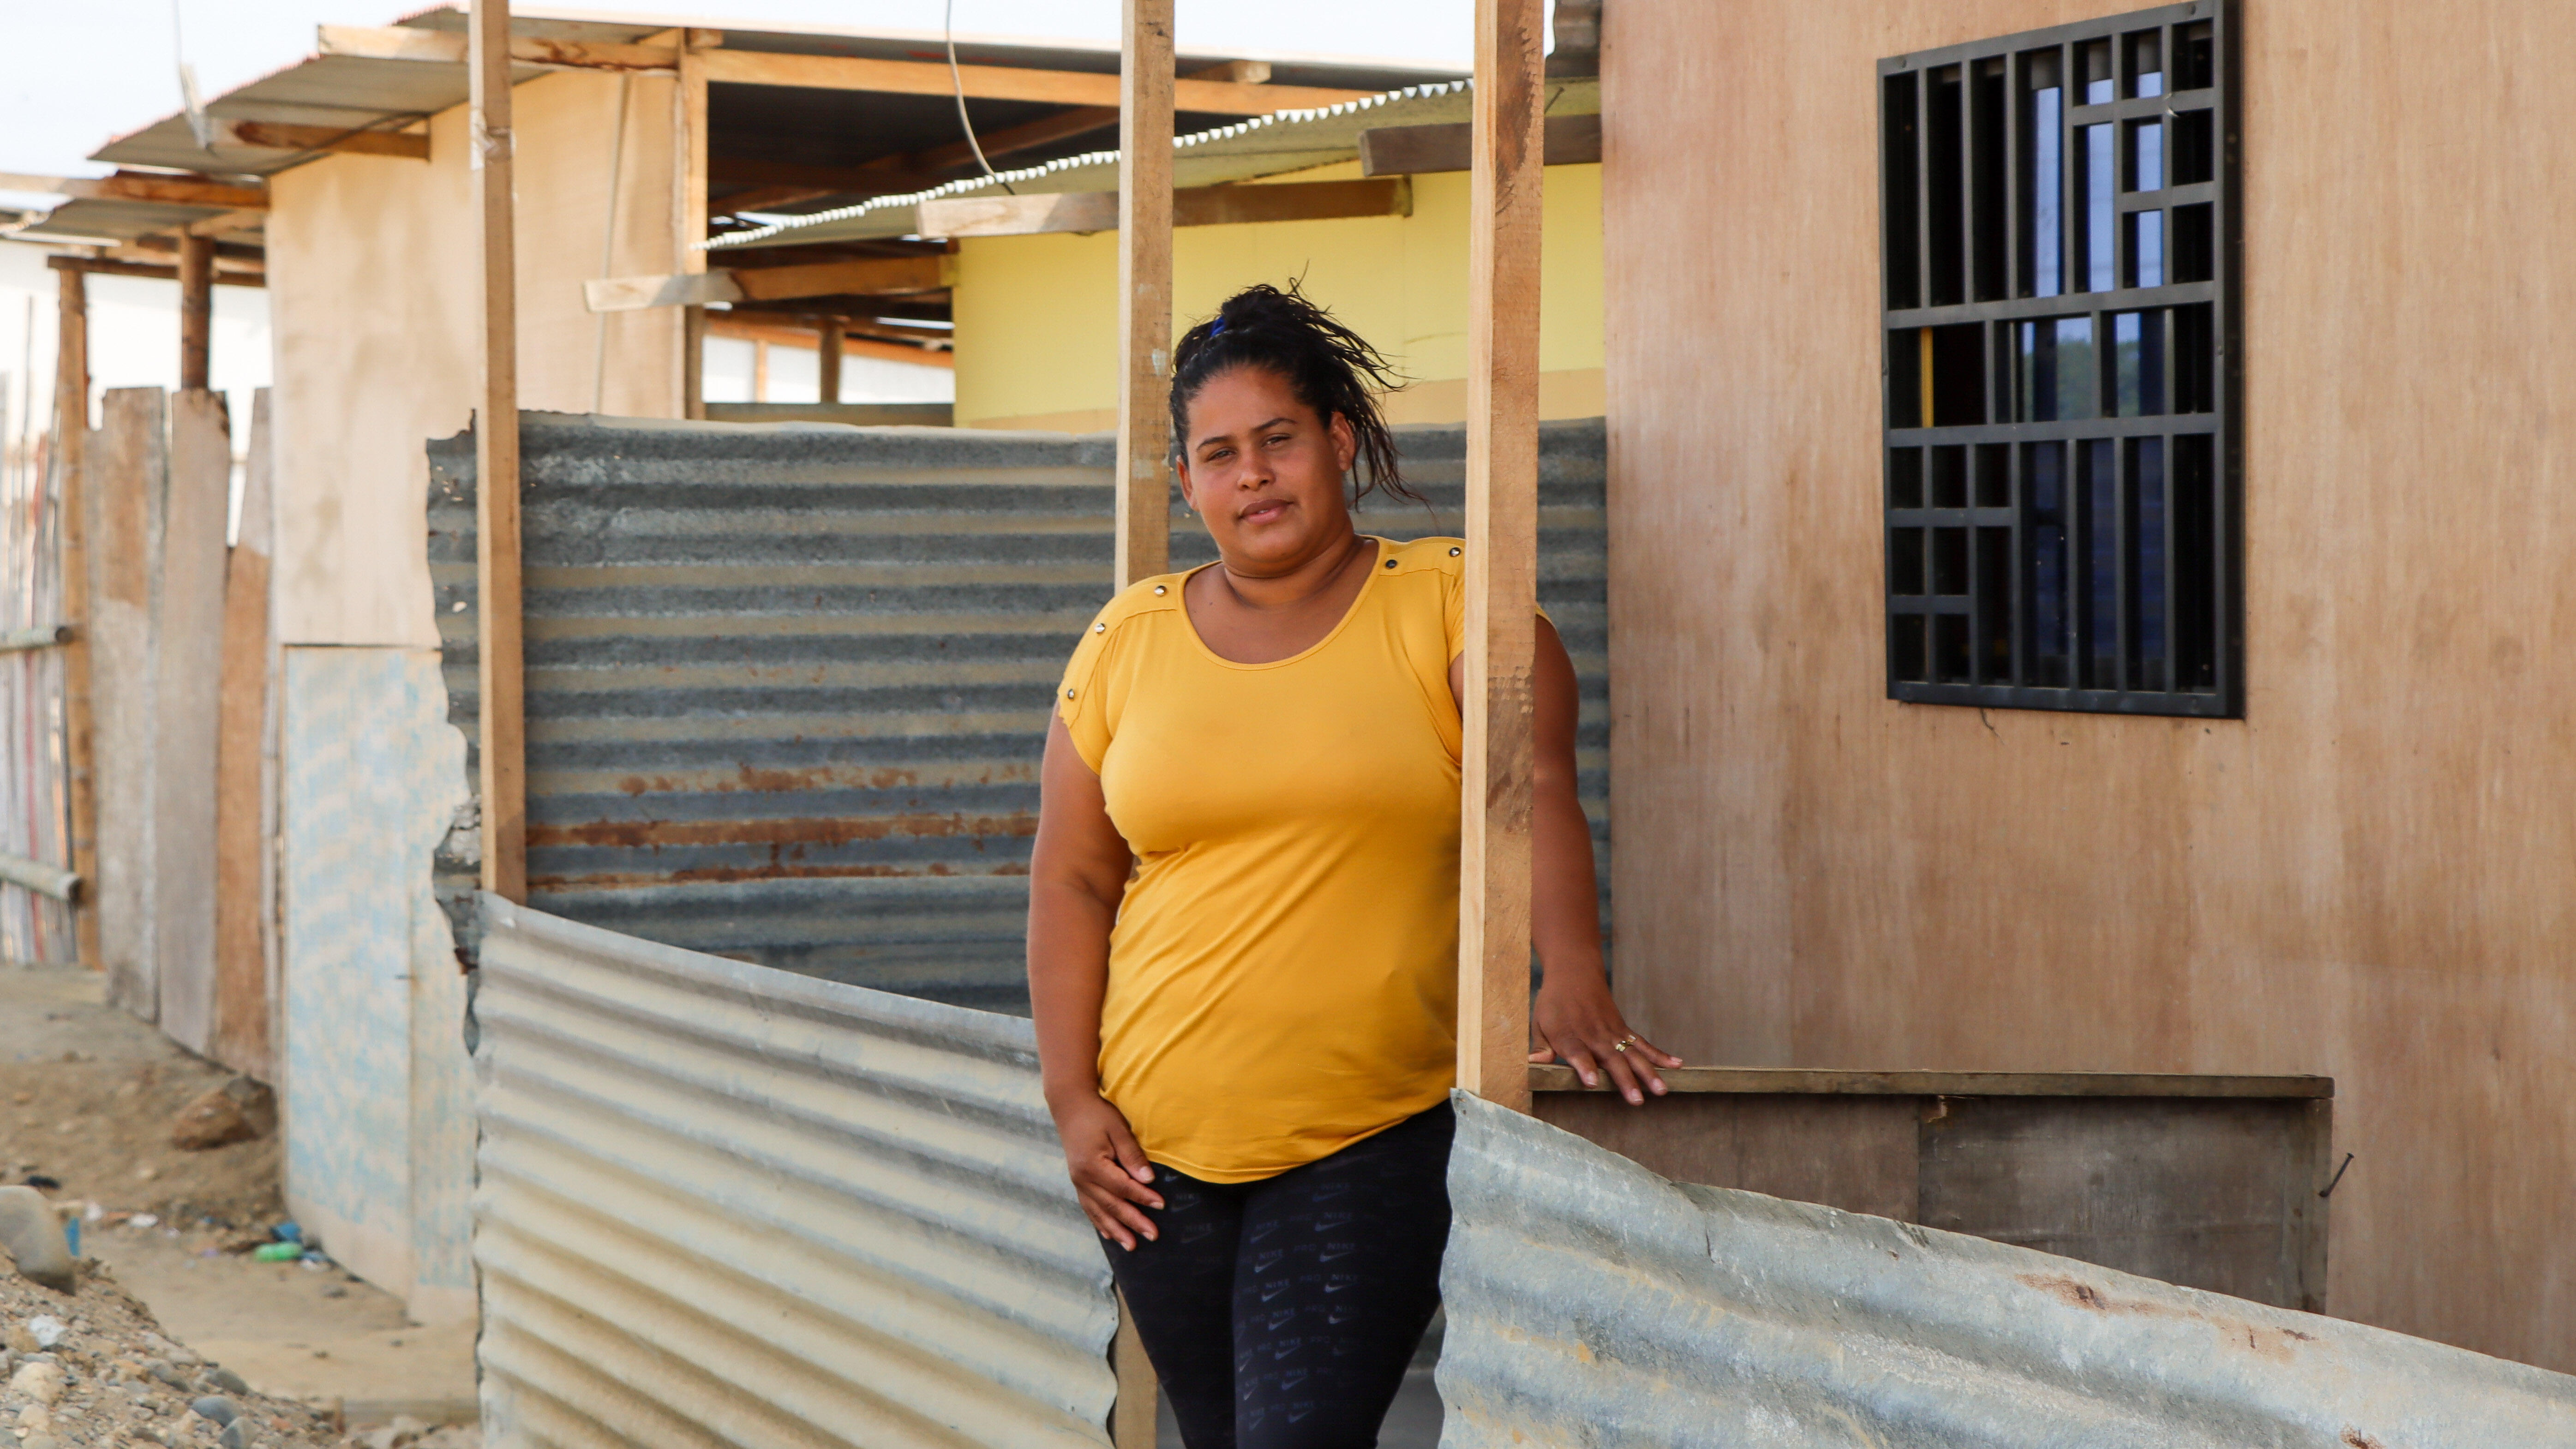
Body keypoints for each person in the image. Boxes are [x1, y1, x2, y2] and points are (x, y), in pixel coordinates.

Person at [1028, 282, 1679, 1449]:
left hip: (1367, 1131)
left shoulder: (1453, 602)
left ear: (1337, 440)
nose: (1254, 476)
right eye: (1219, 455)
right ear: (1187, 484)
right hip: (1156, 1146)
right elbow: (1073, 879)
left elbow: (1528, 793)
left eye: (1278, 439)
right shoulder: (1127, 639)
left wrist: (1571, 971)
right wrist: (1073, 1101)